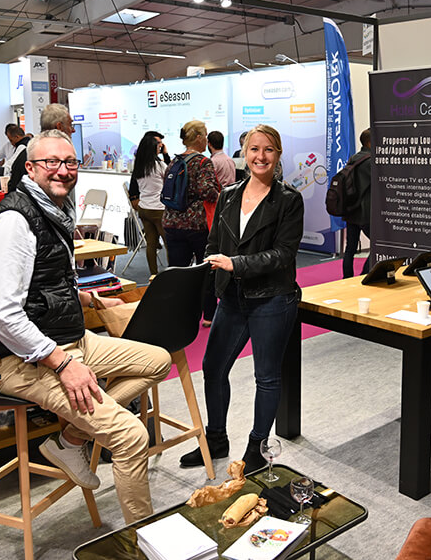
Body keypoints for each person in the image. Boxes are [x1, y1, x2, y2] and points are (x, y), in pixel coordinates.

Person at [0, 129, 170, 523]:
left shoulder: (52, 211)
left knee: (158, 361)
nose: (63, 170)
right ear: (30, 168)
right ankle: (142, 536)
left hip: (69, 339)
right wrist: (63, 364)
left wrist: (86, 299)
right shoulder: (15, 220)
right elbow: (2, 315)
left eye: (70, 162)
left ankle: (70, 439)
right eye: (51, 162)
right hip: (21, 361)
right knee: (132, 435)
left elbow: (43, 282)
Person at [178, 124, 304, 473]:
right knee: (213, 368)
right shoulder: (229, 195)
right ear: (244, 153)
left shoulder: (289, 200)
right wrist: (208, 277)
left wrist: (236, 264)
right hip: (232, 298)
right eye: (254, 149)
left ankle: (257, 447)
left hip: (272, 298)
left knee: (267, 376)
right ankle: (216, 439)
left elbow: (283, 254)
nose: (261, 156)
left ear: (278, 155)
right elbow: (214, 244)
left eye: (269, 149)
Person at [162, 120, 221, 324]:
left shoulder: (175, 161)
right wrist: (220, 194)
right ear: (198, 138)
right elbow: (207, 191)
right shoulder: (203, 162)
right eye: (205, 135)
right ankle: (209, 315)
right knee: (206, 269)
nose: (206, 139)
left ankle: (178, 313)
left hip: (172, 223)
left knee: (177, 272)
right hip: (197, 224)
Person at [128, 131, 171, 276]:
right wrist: (166, 154)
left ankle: (153, 275)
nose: (160, 148)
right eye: (158, 147)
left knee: (151, 244)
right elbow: (170, 178)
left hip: (144, 208)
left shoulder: (139, 166)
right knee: (169, 244)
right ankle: (171, 274)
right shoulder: (160, 165)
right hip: (159, 209)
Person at [341, 128, 373, 279]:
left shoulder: (353, 159)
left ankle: (347, 278)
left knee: (350, 248)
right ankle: (364, 274)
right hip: (365, 212)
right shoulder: (371, 161)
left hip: (350, 210)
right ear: (370, 142)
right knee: (378, 244)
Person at [3, 125, 33, 193]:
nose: (11, 143)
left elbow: (10, 164)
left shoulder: (22, 146)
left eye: (11, 140)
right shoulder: (30, 144)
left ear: (17, 137)